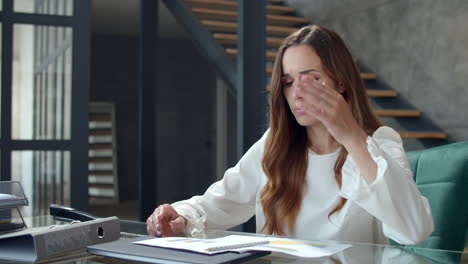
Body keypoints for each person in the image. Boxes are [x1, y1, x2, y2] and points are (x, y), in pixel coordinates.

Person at [146, 25, 434, 245]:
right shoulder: (276, 143)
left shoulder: (380, 142)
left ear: (341, 84)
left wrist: (352, 137)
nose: (297, 93)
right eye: (288, 81)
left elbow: (414, 230)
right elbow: (222, 200)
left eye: (311, 79)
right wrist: (180, 215)